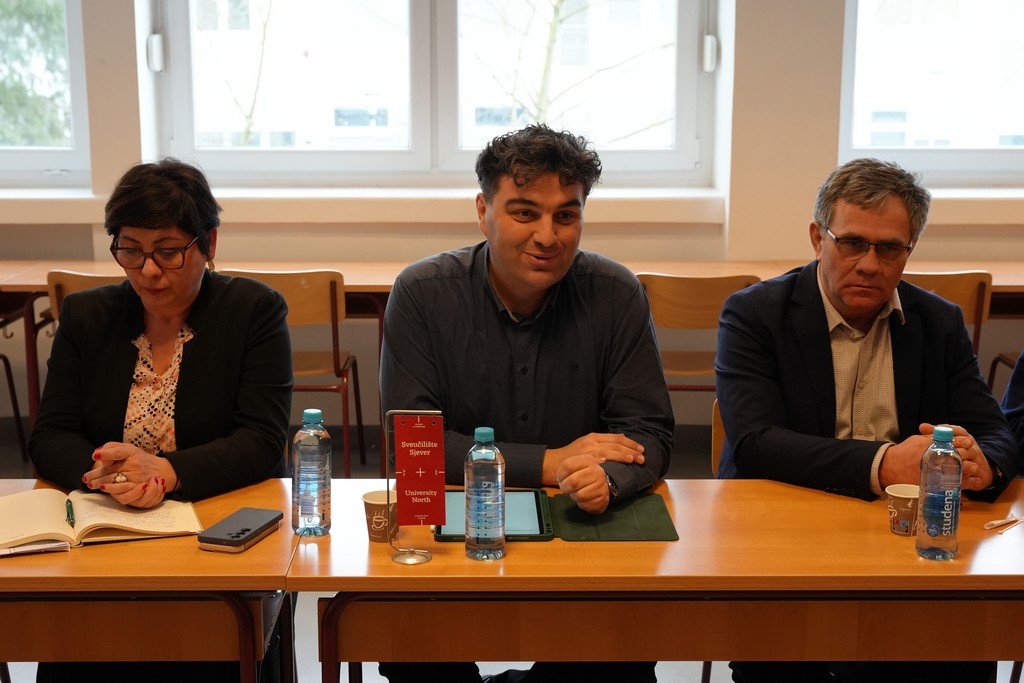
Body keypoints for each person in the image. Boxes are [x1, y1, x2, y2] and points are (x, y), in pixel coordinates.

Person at [379, 123, 674, 683]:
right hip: (452, 536)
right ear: (483, 211)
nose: (547, 236)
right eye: (524, 213)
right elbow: (412, 450)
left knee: (618, 654)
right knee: (410, 644)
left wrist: (608, 479)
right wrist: (551, 461)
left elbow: (650, 433)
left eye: (566, 215)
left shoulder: (616, 293)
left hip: (583, 528)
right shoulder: (421, 293)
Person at [715, 157, 1020, 683]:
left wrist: (982, 466)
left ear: (910, 251)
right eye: (852, 243)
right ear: (818, 238)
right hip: (787, 538)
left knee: (963, 649)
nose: (869, 265)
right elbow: (756, 442)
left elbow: (996, 433)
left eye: (889, 248)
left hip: (907, 545)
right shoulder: (755, 314)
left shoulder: (938, 321)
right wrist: (884, 464)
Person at [29, 158, 293, 683]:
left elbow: (261, 439)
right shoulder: (86, 316)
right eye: (130, 250)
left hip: (216, 524)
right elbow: (50, 433)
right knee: (73, 633)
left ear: (208, 243)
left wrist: (165, 473)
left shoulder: (253, 311)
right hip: (105, 524)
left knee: (207, 643)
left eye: (168, 251)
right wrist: (108, 472)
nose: (148, 271)